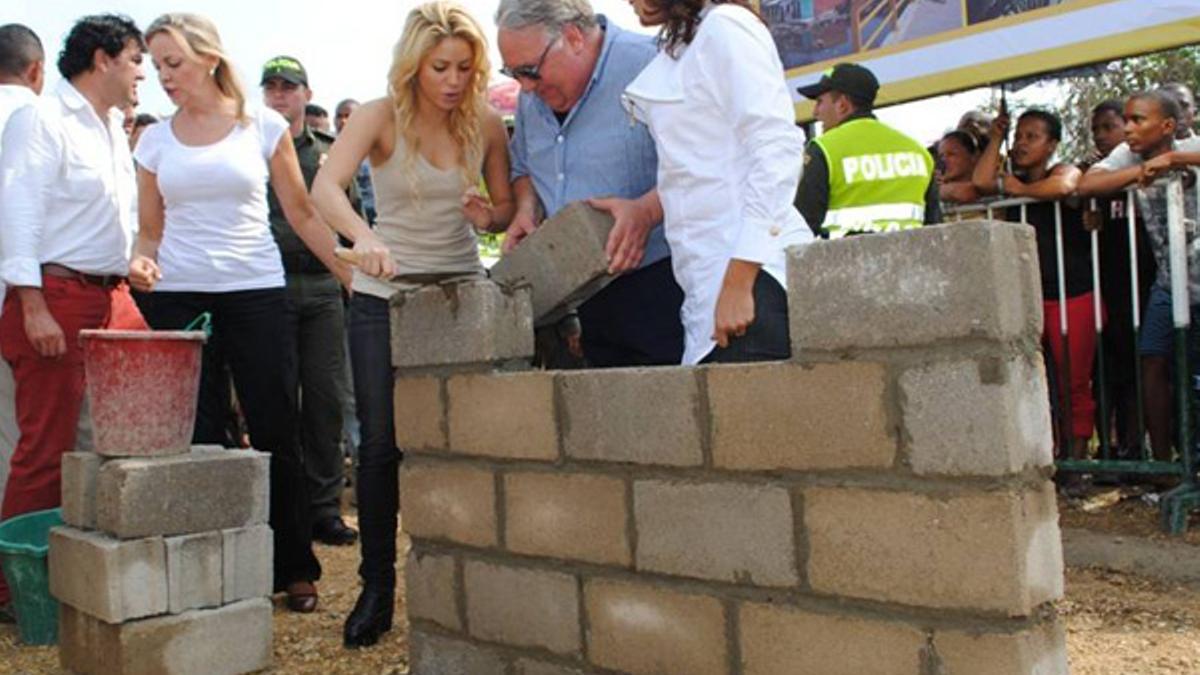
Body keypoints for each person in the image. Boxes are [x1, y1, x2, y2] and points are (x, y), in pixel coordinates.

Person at [310, 0, 513, 647]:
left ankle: (472, 575)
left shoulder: (485, 120)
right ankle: (376, 585)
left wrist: (490, 217)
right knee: (380, 443)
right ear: (413, 65)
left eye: (464, 66)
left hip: (456, 292)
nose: (453, 80)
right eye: (440, 67)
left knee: (464, 437)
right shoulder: (377, 116)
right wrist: (363, 236)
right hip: (382, 294)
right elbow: (325, 189)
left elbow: (504, 208)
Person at [128, 12, 345, 613]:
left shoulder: (263, 126)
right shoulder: (154, 140)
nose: (164, 78)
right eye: (156, 67)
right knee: (199, 434)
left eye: (173, 64)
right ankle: (211, 566)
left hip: (255, 289)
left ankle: (295, 566)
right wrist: (141, 262)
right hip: (178, 296)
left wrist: (343, 268)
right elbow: (150, 233)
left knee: (277, 424)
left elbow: (302, 214)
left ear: (210, 59)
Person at [0, 14, 147, 610]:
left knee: (135, 428)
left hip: (113, 296)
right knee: (45, 448)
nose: (144, 73)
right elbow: (20, 211)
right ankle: (14, 588)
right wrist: (32, 304)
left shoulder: (112, 125)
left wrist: (131, 263)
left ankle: (99, 564)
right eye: (136, 59)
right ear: (102, 59)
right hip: (56, 297)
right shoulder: (41, 118)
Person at [496, 0, 685, 367]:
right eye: (513, 73)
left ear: (573, 36)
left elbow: (704, 165)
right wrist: (526, 209)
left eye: (530, 71)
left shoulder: (653, 64)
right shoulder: (530, 98)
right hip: (581, 296)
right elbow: (524, 167)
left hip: (663, 284)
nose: (525, 87)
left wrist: (646, 211)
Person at [622, 0, 812, 363]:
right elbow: (697, 170)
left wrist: (740, 281)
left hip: (751, 283)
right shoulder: (693, 37)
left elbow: (777, 148)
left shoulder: (726, 26)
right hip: (712, 288)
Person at [260, 55, 358, 548]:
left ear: (305, 93)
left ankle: (324, 510)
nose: (279, 95)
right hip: (266, 290)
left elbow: (353, 219)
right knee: (276, 404)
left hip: (321, 287)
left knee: (325, 403)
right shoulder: (249, 147)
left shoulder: (329, 152)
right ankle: (285, 513)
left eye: (288, 87)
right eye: (271, 87)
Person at [1079, 89, 1200, 468]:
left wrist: (1172, 160)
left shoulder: (1191, 144)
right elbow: (1086, 184)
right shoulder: (1128, 155)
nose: (1128, 129)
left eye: (1138, 120)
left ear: (1167, 125)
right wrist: (1141, 170)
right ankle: (1165, 465)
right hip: (1169, 280)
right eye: (1126, 120)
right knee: (1152, 358)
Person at [972, 108, 1096, 469]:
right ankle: (1047, 456)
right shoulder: (1008, 177)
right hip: (1029, 295)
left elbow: (1065, 186)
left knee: (1073, 382)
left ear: (1052, 144)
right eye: (1020, 136)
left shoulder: (1062, 170)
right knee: (1034, 380)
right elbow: (980, 182)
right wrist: (996, 137)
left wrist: (1021, 191)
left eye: (1033, 136)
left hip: (1071, 294)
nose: (1023, 144)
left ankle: (1078, 462)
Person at [1081, 99, 1155, 459]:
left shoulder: (1148, 167)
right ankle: (1111, 447)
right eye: (1097, 129)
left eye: (1108, 127)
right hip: (1107, 284)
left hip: (1144, 282)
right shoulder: (1093, 173)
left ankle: (1139, 446)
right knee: (1108, 370)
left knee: (1143, 365)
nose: (1103, 136)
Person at [795, 62, 940, 238]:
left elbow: (802, 225)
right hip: (911, 262)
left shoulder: (823, 149)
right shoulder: (918, 152)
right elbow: (935, 228)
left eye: (819, 102)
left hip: (843, 262)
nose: (815, 112)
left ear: (842, 104)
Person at [0, 24, 44, 568]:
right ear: (35, 70)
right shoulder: (31, 119)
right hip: (16, 298)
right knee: (17, 440)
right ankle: (15, 573)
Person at [335, 97, 377, 225]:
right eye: (339, 116)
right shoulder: (329, 151)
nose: (343, 121)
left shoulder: (376, 150)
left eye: (348, 116)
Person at [936, 130, 981, 205]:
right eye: (941, 156)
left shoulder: (985, 184)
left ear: (974, 157)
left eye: (951, 154)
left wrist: (935, 190)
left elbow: (966, 192)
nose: (944, 160)